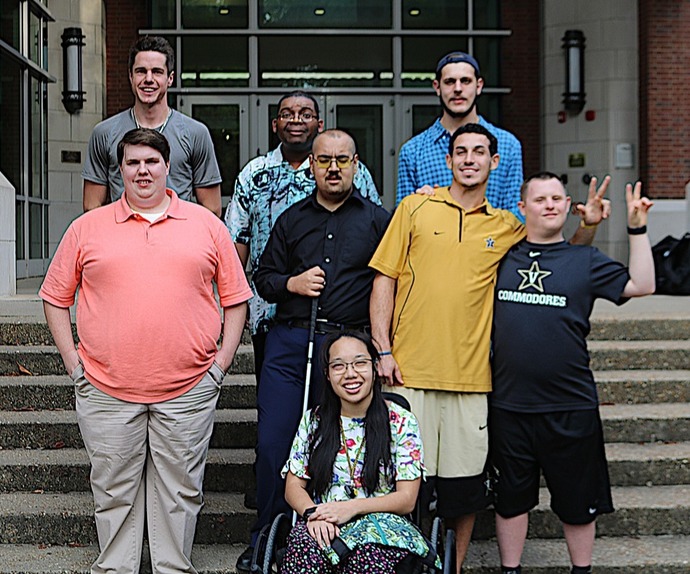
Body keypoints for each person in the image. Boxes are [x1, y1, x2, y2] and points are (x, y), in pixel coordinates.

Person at [369, 123, 609, 573]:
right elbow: (385, 277)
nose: (469, 159)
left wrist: (587, 227)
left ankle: (451, 569)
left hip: (473, 379)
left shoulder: (508, 227)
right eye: (461, 151)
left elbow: (561, 260)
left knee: (463, 493)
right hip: (409, 374)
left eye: (479, 152)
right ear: (449, 159)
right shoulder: (415, 208)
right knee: (402, 485)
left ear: (494, 163)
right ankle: (402, 565)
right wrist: (382, 349)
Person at [40, 128, 252, 573]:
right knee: (113, 488)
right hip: (105, 387)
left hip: (189, 387)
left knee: (180, 490)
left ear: (167, 166)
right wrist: (73, 364)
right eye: (133, 163)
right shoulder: (86, 228)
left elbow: (236, 299)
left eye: (151, 162)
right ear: (120, 171)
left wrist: (221, 365)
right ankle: (116, 568)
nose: (142, 170)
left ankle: (172, 568)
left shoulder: (207, 225)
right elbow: (55, 296)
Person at [235, 130, 390, 572]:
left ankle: (336, 535)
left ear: (356, 163)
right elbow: (263, 276)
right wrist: (292, 284)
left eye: (343, 160)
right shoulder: (291, 219)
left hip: (347, 346)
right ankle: (268, 537)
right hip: (291, 343)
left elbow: (393, 283)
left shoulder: (378, 220)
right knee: (274, 444)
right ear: (313, 166)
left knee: (340, 446)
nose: (334, 168)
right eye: (325, 161)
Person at [489, 172, 655, 574]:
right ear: (521, 206)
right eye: (540, 198)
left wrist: (637, 227)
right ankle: (510, 570)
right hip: (509, 404)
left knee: (579, 505)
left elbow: (644, 284)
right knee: (511, 500)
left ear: (568, 207)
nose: (549, 204)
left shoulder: (586, 260)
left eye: (557, 198)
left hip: (570, 404)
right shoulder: (500, 255)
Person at [226, 90, 381, 390]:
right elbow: (237, 239)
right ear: (275, 124)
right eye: (287, 114)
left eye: (306, 114)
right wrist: (234, 304)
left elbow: (375, 235)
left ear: (319, 124)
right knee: (277, 401)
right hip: (267, 311)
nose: (296, 120)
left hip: (341, 315)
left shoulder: (351, 172)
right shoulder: (254, 174)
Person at [280, 331, 431, 573]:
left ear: (374, 367)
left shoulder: (401, 422)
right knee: (303, 548)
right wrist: (313, 514)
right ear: (328, 375)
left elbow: (406, 499)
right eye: (338, 366)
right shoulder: (314, 421)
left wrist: (352, 507)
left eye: (360, 363)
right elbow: (293, 486)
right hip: (324, 521)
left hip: (384, 526)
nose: (350, 374)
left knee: (369, 559)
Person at [82, 36, 222, 216]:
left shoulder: (195, 133)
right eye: (141, 71)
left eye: (157, 72)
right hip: (123, 239)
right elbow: (92, 207)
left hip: (177, 240)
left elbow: (212, 210)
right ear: (130, 76)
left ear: (170, 78)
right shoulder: (105, 133)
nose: (148, 79)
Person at [396, 51, 523, 219]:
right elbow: (404, 220)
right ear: (437, 87)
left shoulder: (508, 145)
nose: (457, 89)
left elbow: (516, 217)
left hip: (492, 243)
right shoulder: (413, 151)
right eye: (449, 82)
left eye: (465, 81)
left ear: (478, 86)